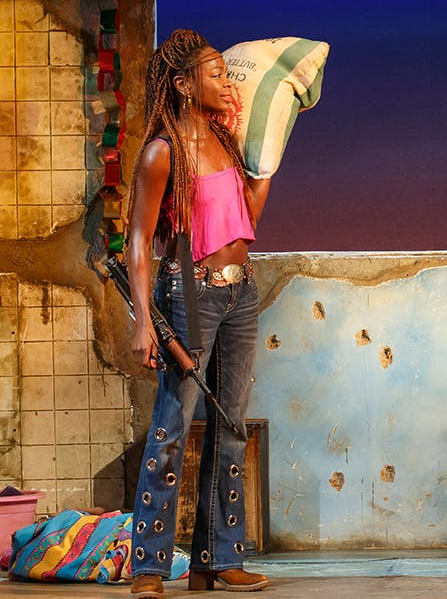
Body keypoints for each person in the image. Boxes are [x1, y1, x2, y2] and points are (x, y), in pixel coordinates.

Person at [124, 29, 272, 598]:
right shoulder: (164, 152)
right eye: (215, 73)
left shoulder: (226, 142)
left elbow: (247, 220)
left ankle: (218, 559)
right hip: (190, 288)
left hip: (241, 290)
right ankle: (149, 567)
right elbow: (139, 241)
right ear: (185, 84)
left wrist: (267, 160)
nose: (226, 81)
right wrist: (143, 321)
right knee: (172, 426)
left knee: (231, 426)